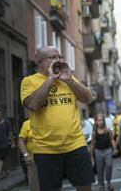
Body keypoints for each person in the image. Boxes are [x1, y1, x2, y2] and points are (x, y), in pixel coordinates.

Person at [20, 46, 94, 191]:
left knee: (85, 187)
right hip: (46, 149)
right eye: (52, 57)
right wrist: (50, 79)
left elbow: (88, 98)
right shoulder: (29, 81)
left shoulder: (68, 78)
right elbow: (33, 105)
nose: (58, 60)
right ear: (40, 62)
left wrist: (70, 81)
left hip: (76, 144)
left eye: (59, 57)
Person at [90, 114, 118, 191]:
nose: (100, 122)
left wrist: (115, 148)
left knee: (109, 165)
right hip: (98, 151)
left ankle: (108, 182)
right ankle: (101, 185)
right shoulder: (94, 132)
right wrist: (91, 156)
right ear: (95, 122)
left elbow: (112, 140)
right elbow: (92, 145)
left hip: (108, 150)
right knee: (100, 169)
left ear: (104, 121)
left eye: (102, 120)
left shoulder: (108, 130)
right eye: (98, 120)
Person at [18, 118, 40, 191]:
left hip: (49, 157)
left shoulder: (48, 121)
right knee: (34, 185)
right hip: (32, 160)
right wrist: (26, 155)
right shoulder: (27, 124)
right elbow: (20, 141)